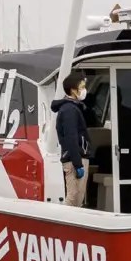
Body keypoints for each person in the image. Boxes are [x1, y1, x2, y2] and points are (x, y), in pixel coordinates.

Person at [51, 71, 91, 207]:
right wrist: (78, 164)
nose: (84, 90)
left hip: (75, 158)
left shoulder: (72, 108)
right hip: (75, 159)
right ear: (73, 90)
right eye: (82, 87)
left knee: (77, 198)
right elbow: (71, 137)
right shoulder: (69, 110)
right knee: (74, 198)